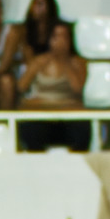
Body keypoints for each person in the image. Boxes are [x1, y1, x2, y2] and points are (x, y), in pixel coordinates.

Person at [17, 21, 88, 152]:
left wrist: (64, 61)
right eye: (56, 36)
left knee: (81, 126)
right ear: (49, 39)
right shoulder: (39, 61)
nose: (60, 41)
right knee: (30, 128)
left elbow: (77, 89)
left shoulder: (78, 63)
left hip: (68, 121)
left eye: (64, 37)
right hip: (42, 119)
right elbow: (21, 87)